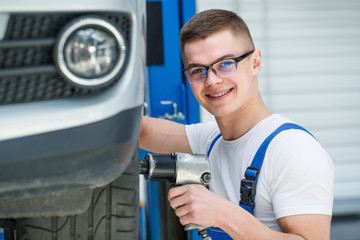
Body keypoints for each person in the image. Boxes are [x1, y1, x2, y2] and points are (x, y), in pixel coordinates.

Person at [140, 9, 334, 240]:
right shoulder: (211, 140)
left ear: (255, 63)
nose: (212, 80)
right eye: (198, 71)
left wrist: (223, 215)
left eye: (225, 64)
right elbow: (140, 130)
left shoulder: (292, 150)